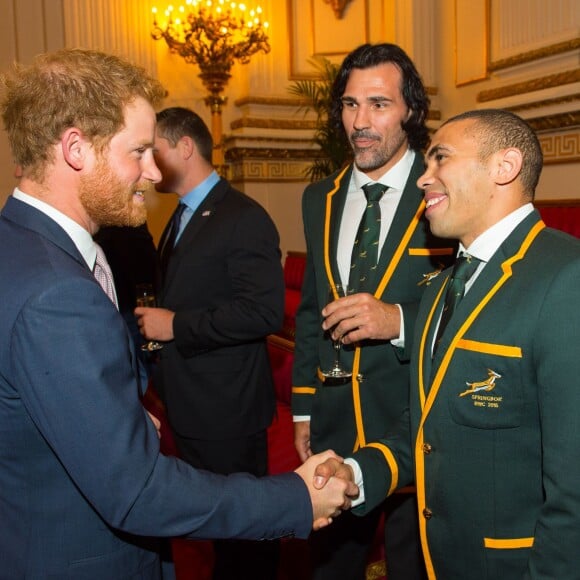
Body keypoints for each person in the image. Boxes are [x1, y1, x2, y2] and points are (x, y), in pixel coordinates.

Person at [0, 47, 358, 580]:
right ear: (76, 148)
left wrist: (114, 408)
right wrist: (295, 498)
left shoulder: (23, 245)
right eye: (138, 151)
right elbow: (137, 491)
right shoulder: (56, 294)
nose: (151, 170)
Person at [316, 108, 580, 579]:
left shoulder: (566, 277)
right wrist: (357, 474)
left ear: (504, 166)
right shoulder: (440, 287)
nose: (423, 178)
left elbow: (573, 490)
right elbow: (429, 426)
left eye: (440, 159)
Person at [291, 43, 455, 580]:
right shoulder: (320, 196)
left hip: (418, 417)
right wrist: (302, 409)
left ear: (410, 109)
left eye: (379, 104)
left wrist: (399, 321)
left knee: (417, 565)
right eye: (349, 105)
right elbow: (313, 309)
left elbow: (470, 302)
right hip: (336, 421)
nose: (360, 122)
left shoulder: (446, 192)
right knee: (331, 566)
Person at [135, 106, 286, 579]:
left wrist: (175, 325)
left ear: (184, 147)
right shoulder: (181, 214)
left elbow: (263, 312)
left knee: (244, 534)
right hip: (192, 401)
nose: (148, 164)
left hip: (228, 409)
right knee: (220, 531)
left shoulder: (243, 216)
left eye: (153, 150)